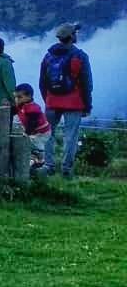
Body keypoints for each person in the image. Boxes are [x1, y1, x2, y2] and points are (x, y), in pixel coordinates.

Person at [40, 23, 93, 178]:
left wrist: (47, 99)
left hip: (52, 101)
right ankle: (66, 170)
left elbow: (42, 82)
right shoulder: (80, 56)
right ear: (72, 37)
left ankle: (48, 166)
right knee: (70, 137)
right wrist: (87, 105)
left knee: (47, 134)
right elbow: (86, 83)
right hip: (74, 103)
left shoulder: (48, 56)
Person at [13, 83, 51, 174]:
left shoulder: (32, 109)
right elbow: (14, 110)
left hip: (42, 132)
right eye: (15, 97)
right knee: (33, 145)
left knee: (36, 145)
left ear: (28, 96)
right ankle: (35, 161)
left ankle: (39, 162)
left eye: (19, 97)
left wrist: (26, 133)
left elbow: (32, 123)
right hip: (36, 132)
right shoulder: (22, 106)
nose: (16, 99)